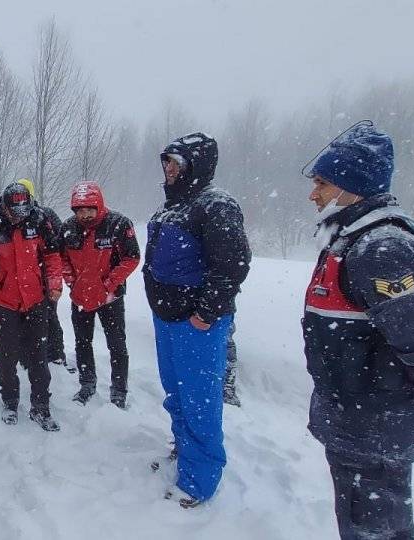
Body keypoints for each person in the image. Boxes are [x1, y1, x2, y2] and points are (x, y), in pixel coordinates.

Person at [301, 121, 414, 539]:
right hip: (357, 415)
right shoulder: (350, 238)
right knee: (360, 518)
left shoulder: (381, 246)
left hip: (376, 423)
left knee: (375, 527)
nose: (314, 194)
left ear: (353, 186)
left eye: (323, 184)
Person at [143, 132, 251, 508]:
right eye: (166, 162)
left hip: (197, 325)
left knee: (200, 401)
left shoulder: (215, 205)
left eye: (176, 162)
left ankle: (198, 481)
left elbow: (233, 265)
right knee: (176, 393)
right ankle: (183, 451)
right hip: (167, 319)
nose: (168, 169)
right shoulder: (170, 207)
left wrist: (206, 313)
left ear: (196, 165)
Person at [0, 182, 63, 431]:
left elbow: (52, 254)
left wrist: (54, 283)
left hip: (35, 300)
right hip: (5, 301)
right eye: (14, 210)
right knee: (7, 356)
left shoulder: (39, 220)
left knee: (39, 355)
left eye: (23, 209)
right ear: (5, 206)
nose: (19, 215)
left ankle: (41, 406)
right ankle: (10, 401)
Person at [60, 181, 139, 408]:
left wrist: (108, 285)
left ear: (99, 205)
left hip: (110, 298)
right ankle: (87, 384)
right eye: (79, 210)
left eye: (89, 210)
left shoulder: (118, 225)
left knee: (116, 344)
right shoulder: (68, 228)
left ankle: (119, 390)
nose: (84, 215)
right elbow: (62, 258)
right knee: (82, 343)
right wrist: (71, 282)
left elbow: (131, 257)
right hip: (80, 298)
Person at [15, 178, 73, 374]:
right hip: (26, 280)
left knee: (48, 317)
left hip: (44, 278)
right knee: (27, 319)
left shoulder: (44, 215)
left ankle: (55, 355)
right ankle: (28, 357)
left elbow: (59, 242)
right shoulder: (16, 216)